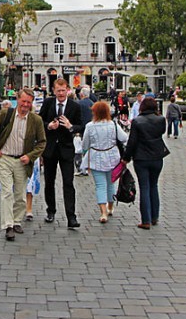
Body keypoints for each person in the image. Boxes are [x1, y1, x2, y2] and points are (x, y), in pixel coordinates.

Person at [0, 88, 46, 241]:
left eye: (29, 102)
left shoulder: (36, 120)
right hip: (5, 158)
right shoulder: (6, 114)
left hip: (22, 160)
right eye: (23, 101)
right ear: (17, 99)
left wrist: (30, 156)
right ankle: (8, 226)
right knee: (7, 192)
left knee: (20, 195)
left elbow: (41, 143)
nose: (25, 105)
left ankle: (17, 220)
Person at [38, 78, 83, 228]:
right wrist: (49, 126)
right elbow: (39, 121)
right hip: (50, 149)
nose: (61, 93)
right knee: (49, 182)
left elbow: (81, 126)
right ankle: (51, 210)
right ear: (54, 90)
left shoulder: (74, 106)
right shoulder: (48, 103)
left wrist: (71, 127)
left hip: (66, 149)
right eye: (58, 90)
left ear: (68, 90)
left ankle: (71, 217)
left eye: (63, 90)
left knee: (68, 183)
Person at [122, 97, 167, 229]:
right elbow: (162, 133)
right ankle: (155, 216)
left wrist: (126, 157)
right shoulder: (161, 120)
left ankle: (145, 220)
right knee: (154, 185)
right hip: (157, 157)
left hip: (141, 158)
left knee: (145, 187)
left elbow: (132, 141)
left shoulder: (137, 121)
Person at [82, 101, 128, 223]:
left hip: (96, 156)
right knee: (110, 183)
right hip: (112, 156)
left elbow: (85, 144)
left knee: (100, 185)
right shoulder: (113, 124)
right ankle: (110, 207)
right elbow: (124, 138)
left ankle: (103, 212)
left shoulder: (90, 126)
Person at [74, 86, 94, 176]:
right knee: (89, 149)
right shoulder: (93, 103)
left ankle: (80, 167)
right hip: (92, 129)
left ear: (81, 94)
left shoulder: (78, 104)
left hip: (81, 129)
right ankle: (88, 167)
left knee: (79, 149)